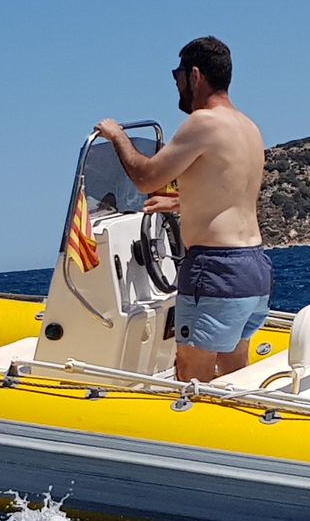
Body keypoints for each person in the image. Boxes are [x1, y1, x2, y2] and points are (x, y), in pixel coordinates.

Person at [94, 36, 269, 382]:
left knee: (191, 373)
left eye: (177, 75)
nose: (176, 84)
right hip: (254, 268)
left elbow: (146, 178)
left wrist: (116, 136)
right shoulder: (248, 127)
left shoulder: (203, 122)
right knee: (234, 370)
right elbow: (232, 194)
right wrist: (178, 203)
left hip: (215, 269)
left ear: (195, 75)